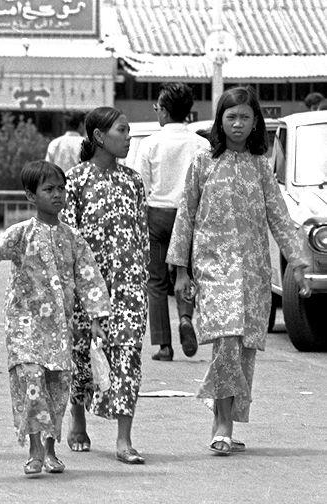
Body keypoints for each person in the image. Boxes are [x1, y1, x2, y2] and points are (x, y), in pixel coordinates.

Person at [168, 87, 311, 456]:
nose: (237, 124)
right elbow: (185, 216)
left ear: (255, 122)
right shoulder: (203, 162)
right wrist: (181, 271)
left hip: (253, 270)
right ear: (220, 121)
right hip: (213, 268)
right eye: (230, 117)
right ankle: (223, 424)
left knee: (242, 348)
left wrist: (298, 263)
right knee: (227, 339)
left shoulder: (262, 167)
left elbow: (280, 218)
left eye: (244, 117)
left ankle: (223, 415)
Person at [0, 160, 110, 476]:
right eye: (49, 189)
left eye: (61, 189)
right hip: (23, 325)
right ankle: (35, 448)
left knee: (56, 387)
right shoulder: (19, 234)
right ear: (30, 196)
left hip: (59, 329)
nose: (57, 195)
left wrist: (96, 318)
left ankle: (50, 450)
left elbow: (90, 278)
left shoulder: (73, 238)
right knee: (30, 381)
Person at [61, 107, 149, 464]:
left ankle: (124, 438)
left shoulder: (134, 181)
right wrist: (71, 286)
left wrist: (143, 275)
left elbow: (142, 234)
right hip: (87, 286)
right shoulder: (74, 181)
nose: (129, 138)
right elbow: (67, 237)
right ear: (99, 137)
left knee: (128, 353)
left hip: (129, 284)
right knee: (82, 353)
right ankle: (78, 417)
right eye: (123, 131)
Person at [134, 83, 209, 361]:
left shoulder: (150, 143)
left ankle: (164, 346)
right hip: (190, 216)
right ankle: (186, 317)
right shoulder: (202, 144)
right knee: (186, 272)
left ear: (164, 111)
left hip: (157, 214)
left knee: (155, 281)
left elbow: (141, 185)